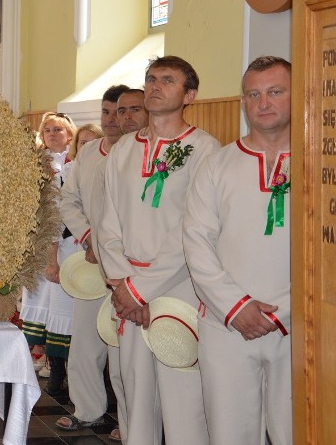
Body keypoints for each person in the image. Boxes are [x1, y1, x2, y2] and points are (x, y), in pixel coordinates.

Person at [98, 56, 219, 445]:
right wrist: (121, 284)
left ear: (190, 95)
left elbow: (194, 229)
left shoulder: (205, 149)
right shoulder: (124, 149)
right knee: (135, 395)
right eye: (151, 79)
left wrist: (139, 289)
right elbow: (108, 221)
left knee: (183, 400)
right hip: (125, 290)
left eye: (168, 80)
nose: (155, 86)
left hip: (179, 287)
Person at [184, 56, 292, 445]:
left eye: (275, 91)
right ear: (243, 101)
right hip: (226, 323)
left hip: (300, 326)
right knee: (229, 436)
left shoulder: (321, 162)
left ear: (298, 94)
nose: (263, 102)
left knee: (299, 432)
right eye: (253, 94)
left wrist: (289, 309)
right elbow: (196, 241)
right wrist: (236, 306)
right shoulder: (216, 164)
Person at [56, 85, 140, 441]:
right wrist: (88, 236)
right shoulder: (89, 153)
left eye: (119, 112)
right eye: (106, 113)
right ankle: (87, 410)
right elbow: (67, 201)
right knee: (86, 343)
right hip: (91, 263)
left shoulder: (141, 154)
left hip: (130, 267)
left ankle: (130, 421)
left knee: (124, 352)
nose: (112, 120)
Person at [21, 112, 76, 391]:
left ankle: (63, 366)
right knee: (41, 297)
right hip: (42, 240)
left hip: (72, 240)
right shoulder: (35, 164)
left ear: (69, 135)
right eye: (48, 130)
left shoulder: (76, 163)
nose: (53, 134)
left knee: (63, 301)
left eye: (58, 129)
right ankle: (42, 357)